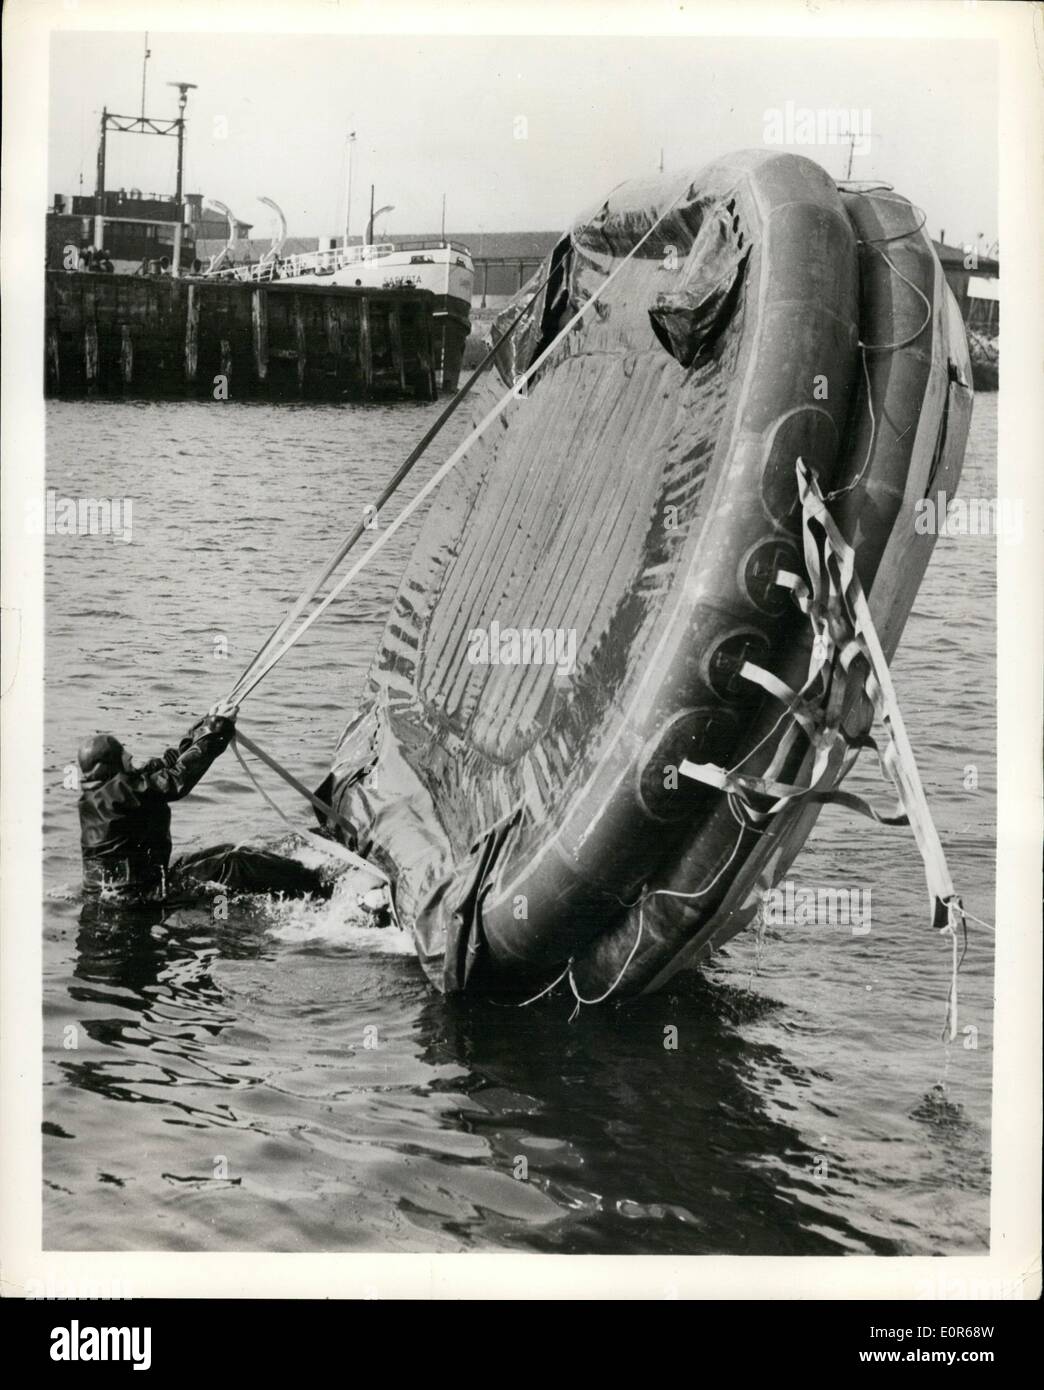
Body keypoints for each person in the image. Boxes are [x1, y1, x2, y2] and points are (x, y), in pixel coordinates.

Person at [78, 701, 239, 901]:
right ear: (110, 768)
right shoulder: (121, 793)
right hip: (140, 897)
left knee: (227, 850)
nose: (132, 758)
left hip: (129, 891)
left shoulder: (102, 795)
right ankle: (282, 894)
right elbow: (176, 779)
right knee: (234, 864)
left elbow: (167, 765)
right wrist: (217, 730)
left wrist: (209, 723)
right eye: (127, 760)